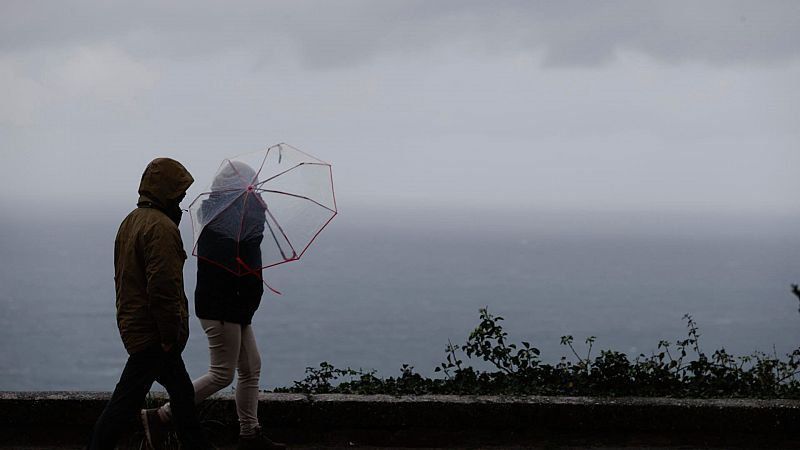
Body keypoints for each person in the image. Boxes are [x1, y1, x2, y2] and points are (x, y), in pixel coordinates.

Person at [141, 161, 286, 450]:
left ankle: (249, 433)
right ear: (238, 189)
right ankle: (161, 417)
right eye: (252, 186)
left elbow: (246, 261)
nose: (255, 190)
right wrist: (255, 219)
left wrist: (254, 218)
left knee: (250, 366)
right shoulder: (222, 220)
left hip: (234, 307)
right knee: (222, 374)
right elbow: (237, 266)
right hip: (221, 308)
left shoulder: (234, 216)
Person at [88, 158, 214, 450]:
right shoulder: (161, 228)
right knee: (123, 404)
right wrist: (170, 336)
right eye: (180, 196)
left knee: (182, 394)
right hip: (154, 335)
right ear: (167, 193)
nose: (182, 203)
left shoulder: (131, 221)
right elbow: (163, 288)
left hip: (136, 325)